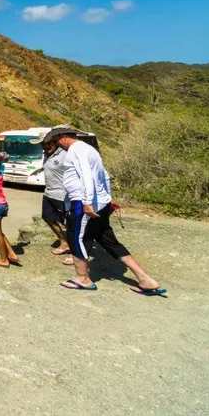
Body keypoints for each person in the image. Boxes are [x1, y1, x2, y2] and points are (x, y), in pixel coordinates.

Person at [44, 126, 166, 295]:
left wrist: (87, 202)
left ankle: (82, 278)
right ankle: (145, 279)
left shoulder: (75, 150)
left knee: (75, 236)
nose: (58, 145)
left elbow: (86, 175)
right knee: (106, 239)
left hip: (83, 202)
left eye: (57, 141)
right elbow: (104, 175)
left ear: (63, 136)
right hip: (99, 202)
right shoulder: (89, 149)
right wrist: (106, 198)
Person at [33, 134, 73, 266]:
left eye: (48, 143)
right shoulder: (46, 154)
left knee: (70, 224)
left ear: (55, 142)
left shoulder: (65, 155)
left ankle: (77, 250)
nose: (45, 147)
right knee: (47, 217)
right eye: (42, 144)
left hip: (63, 195)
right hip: (49, 193)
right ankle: (64, 243)